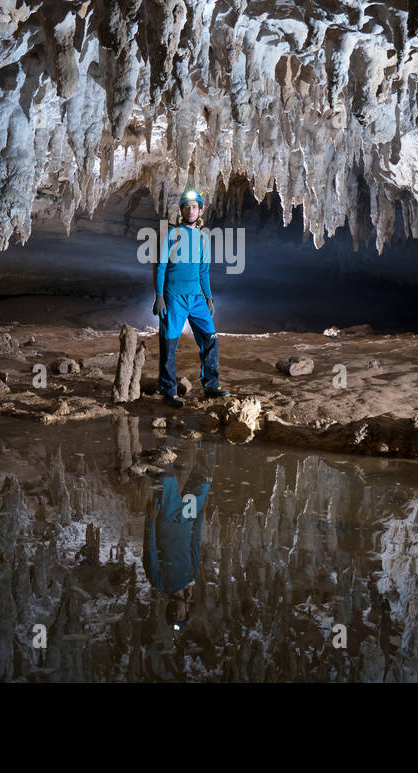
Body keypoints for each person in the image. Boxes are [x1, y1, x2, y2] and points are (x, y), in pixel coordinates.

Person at [152, 187, 231, 407]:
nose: (191, 210)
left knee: (211, 339)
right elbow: (160, 266)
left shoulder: (203, 239)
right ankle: (169, 390)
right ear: (182, 210)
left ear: (200, 210)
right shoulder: (171, 234)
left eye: (194, 206)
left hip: (197, 298)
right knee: (169, 345)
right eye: (187, 206)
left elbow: (204, 271)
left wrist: (209, 298)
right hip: (173, 297)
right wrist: (159, 296)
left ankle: (211, 385)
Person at [143, 443, 216, 632]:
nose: (177, 612)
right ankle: (203, 439)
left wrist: (150, 522)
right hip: (188, 520)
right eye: (181, 615)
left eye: (173, 615)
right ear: (187, 609)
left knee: (165, 471)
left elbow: (149, 550)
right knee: (205, 478)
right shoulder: (191, 573)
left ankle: (162, 444)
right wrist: (200, 516)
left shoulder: (159, 583)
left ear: (168, 609)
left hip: (167, 520)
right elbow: (195, 542)